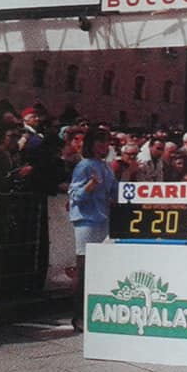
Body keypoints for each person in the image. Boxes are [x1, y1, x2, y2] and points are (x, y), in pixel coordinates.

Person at [67, 127, 117, 332]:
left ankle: (92, 312)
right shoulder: (84, 165)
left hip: (102, 220)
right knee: (84, 267)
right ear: (90, 144)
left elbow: (114, 191)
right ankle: (77, 316)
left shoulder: (106, 167)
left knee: (99, 268)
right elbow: (75, 195)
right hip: (86, 221)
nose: (103, 146)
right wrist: (90, 185)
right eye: (99, 141)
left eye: (106, 142)